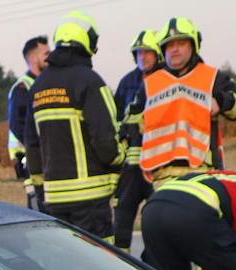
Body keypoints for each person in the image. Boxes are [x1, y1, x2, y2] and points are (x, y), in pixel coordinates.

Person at [24, 11, 123, 241]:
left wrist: (40, 189)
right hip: (91, 198)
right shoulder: (90, 81)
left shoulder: (37, 87)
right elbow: (104, 139)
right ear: (89, 43)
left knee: (67, 264)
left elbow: (31, 144)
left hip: (55, 200)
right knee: (99, 264)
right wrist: (119, 160)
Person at [139, 17, 236, 183]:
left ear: (193, 46)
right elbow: (133, 124)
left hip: (203, 174)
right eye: (170, 45)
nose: (175, 49)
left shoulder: (212, 77)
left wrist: (221, 101)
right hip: (162, 177)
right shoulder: (148, 85)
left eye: (181, 43)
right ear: (163, 50)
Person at [111, 30, 160, 250]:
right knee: (121, 219)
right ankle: (122, 268)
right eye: (139, 53)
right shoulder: (127, 82)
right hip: (131, 167)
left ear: (158, 54)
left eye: (148, 53)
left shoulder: (166, 80)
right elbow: (115, 117)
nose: (143, 57)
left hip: (158, 164)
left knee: (160, 218)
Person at [8, 35, 51, 210]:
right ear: (33, 58)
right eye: (46, 53)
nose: (51, 56)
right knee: (39, 211)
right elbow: (18, 125)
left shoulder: (46, 83)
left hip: (48, 159)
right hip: (31, 160)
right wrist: (39, 145)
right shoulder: (23, 88)